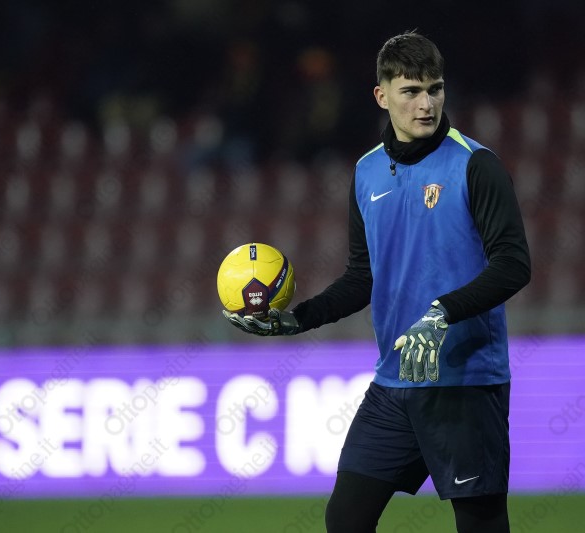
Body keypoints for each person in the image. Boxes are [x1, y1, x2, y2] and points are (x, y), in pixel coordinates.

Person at [224, 30, 531, 533]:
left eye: (435, 89)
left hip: (465, 383)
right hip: (395, 382)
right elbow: (362, 277)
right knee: (345, 519)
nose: (426, 104)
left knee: (481, 524)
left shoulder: (476, 165)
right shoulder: (367, 172)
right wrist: (297, 319)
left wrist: (442, 314)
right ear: (381, 95)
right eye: (411, 91)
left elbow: (514, 264)